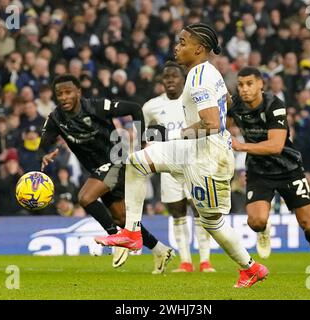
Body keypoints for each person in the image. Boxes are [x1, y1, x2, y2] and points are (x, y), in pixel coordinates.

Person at [96, 23, 268, 288]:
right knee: (137, 161)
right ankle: (132, 232)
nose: (177, 47)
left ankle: (251, 268)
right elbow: (229, 103)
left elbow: (212, 123)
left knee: (212, 222)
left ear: (199, 48)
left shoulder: (199, 75)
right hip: (195, 150)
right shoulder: (209, 72)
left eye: (182, 42)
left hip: (208, 159)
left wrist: (183, 132)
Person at [40, 74, 174, 273]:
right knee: (122, 219)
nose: (64, 97)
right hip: (98, 170)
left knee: (85, 198)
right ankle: (160, 249)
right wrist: (47, 152)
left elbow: (134, 109)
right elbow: (44, 143)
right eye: (59, 94)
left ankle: (115, 239)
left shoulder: (96, 107)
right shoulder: (56, 118)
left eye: (68, 92)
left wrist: (140, 143)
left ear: (78, 92)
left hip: (116, 161)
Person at [226, 66, 310, 275]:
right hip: (259, 170)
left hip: (289, 169)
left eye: (249, 84)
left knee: (308, 223)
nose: (245, 89)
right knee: (256, 221)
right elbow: (221, 123)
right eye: (240, 85)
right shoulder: (236, 106)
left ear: (260, 84)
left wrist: (241, 146)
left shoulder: (274, 105)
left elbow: (275, 145)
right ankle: (263, 230)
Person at [143, 61, 215, 273]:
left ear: (183, 79)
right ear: (162, 81)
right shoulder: (151, 106)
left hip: (195, 163)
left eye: (174, 76)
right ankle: (185, 262)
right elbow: (147, 136)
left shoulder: (193, 101)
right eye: (166, 77)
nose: (170, 80)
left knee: (200, 211)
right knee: (177, 213)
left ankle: (205, 261)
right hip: (168, 167)